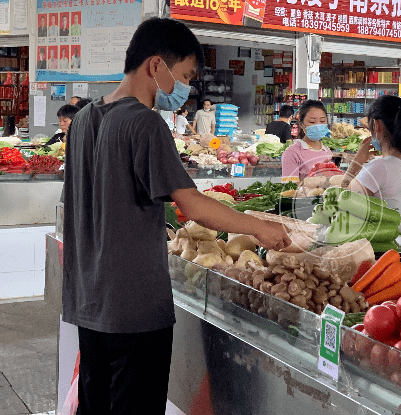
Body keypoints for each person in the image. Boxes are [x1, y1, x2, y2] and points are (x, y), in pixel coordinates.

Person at [63, 17, 291, 415]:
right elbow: (191, 205)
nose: (183, 91)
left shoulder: (83, 120)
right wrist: (259, 227)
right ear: (155, 66)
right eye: (183, 76)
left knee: (95, 405)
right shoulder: (144, 122)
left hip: (89, 300)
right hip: (134, 308)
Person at [340, 95, 401, 232]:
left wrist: (358, 160)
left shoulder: (380, 167)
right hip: (393, 243)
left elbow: (341, 201)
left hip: (371, 247)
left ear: (377, 125)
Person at [281, 100, 332, 181]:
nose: (318, 125)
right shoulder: (292, 153)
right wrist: (314, 177)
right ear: (301, 124)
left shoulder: (327, 151)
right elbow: (289, 189)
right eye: (312, 122)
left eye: (322, 121)